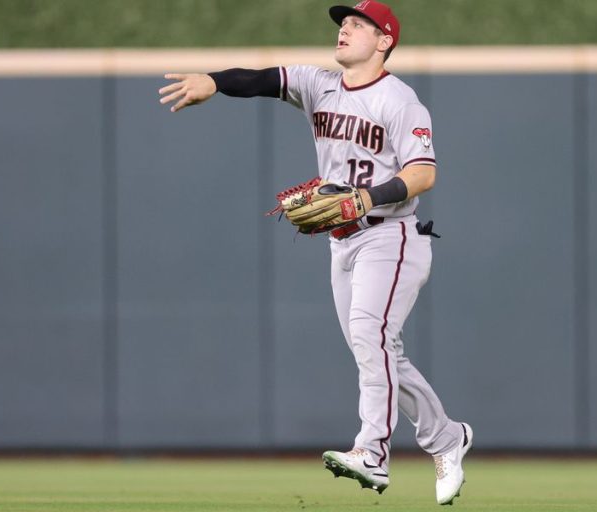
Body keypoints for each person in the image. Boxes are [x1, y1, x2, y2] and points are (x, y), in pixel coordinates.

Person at [158, 0, 473, 505]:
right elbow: (261, 78)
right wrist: (214, 81)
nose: (344, 30)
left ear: (384, 41)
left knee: (371, 339)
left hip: (390, 235)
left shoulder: (400, 101)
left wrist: (368, 197)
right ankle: (447, 437)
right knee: (377, 353)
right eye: (343, 23)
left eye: (357, 24)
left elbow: (423, 173)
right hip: (341, 240)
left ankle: (372, 453)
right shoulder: (319, 84)